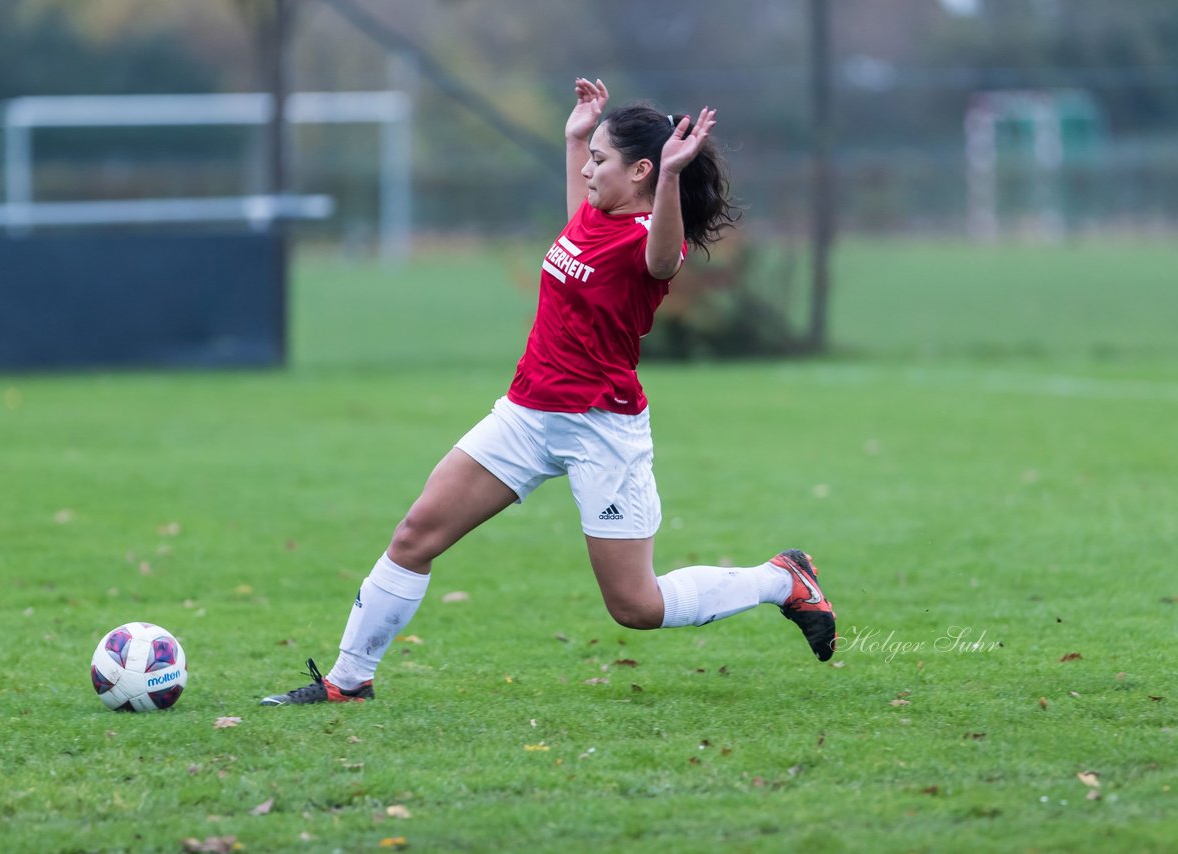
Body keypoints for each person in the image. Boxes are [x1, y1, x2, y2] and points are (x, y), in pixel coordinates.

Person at [261, 77, 836, 706]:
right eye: (590, 159)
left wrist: (671, 178)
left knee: (636, 606)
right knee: (414, 536)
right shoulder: (594, 218)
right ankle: (349, 681)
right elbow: (577, 222)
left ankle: (780, 581)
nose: (590, 169)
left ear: (642, 169)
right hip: (527, 416)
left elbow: (665, 258)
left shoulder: (647, 241)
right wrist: (574, 137)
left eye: (601, 160)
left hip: (601, 432)